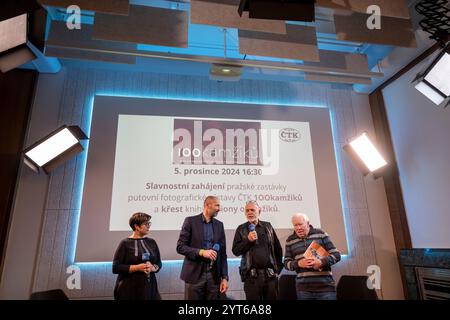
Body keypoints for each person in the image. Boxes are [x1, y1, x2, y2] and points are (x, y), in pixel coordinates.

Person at [176, 195, 229, 300]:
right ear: (207, 205)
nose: (219, 208)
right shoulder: (190, 221)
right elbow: (180, 247)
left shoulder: (219, 225)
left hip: (214, 277)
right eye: (217, 205)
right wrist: (201, 252)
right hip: (195, 276)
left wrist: (224, 278)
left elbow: (222, 254)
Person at [232, 200, 283, 300]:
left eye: (252, 210)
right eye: (247, 210)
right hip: (251, 278)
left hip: (270, 276)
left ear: (259, 211)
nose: (249, 212)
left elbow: (277, 249)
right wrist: (248, 240)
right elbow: (236, 251)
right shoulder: (241, 229)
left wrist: (278, 269)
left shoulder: (268, 226)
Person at [284, 213, 341, 300]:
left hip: (325, 288)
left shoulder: (321, 234)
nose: (298, 228)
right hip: (303, 290)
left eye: (300, 224)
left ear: (307, 223)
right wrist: (298, 264)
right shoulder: (290, 240)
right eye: (295, 225)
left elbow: (337, 255)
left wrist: (321, 262)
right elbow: (286, 263)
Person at [112, 212, 162, 300]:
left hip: (149, 287)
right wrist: (137, 267)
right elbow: (116, 268)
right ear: (136, 226)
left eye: (149, 223)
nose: (148, 226)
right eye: (145, 224)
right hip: (129, 288)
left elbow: (158, 262)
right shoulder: (125, 243)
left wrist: (153, 268)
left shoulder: (152, 242)